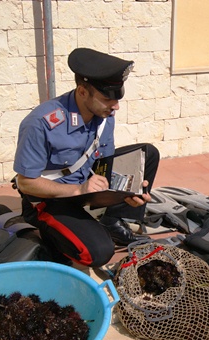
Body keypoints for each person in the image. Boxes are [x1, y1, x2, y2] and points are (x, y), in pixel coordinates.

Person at [13, 48, 158, 267]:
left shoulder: (105, 114)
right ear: (82, 92)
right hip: (54, 198)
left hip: (87, 187)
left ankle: (113, 221)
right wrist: (78, 190)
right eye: (107, 98)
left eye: (117, 99)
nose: (115, 106)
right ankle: (52, 232)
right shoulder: (40, 123)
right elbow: (25, 183)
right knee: (98, 253)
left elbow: (104, 163)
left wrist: (126, 192)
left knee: (147, 153)